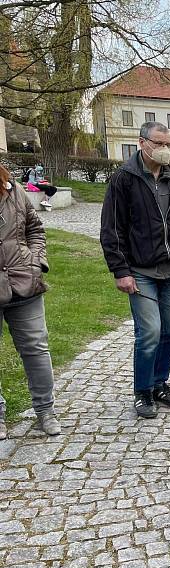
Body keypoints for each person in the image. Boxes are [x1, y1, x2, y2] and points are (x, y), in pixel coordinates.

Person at [100, 121, 170, 419]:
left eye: (169, 144)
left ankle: (159, 383)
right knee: (150, 333)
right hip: (140, 270)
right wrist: (121, 271)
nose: (165, 149)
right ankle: (142, 391)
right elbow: (112, 229)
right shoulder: (124, 179)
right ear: (141, 143)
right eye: (159, 143)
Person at [0, 163, 61, 438]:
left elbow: (35, 230)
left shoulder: (15, 191)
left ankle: (45, 411)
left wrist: (36, 261)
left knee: (36, 349)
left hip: (24, 282)